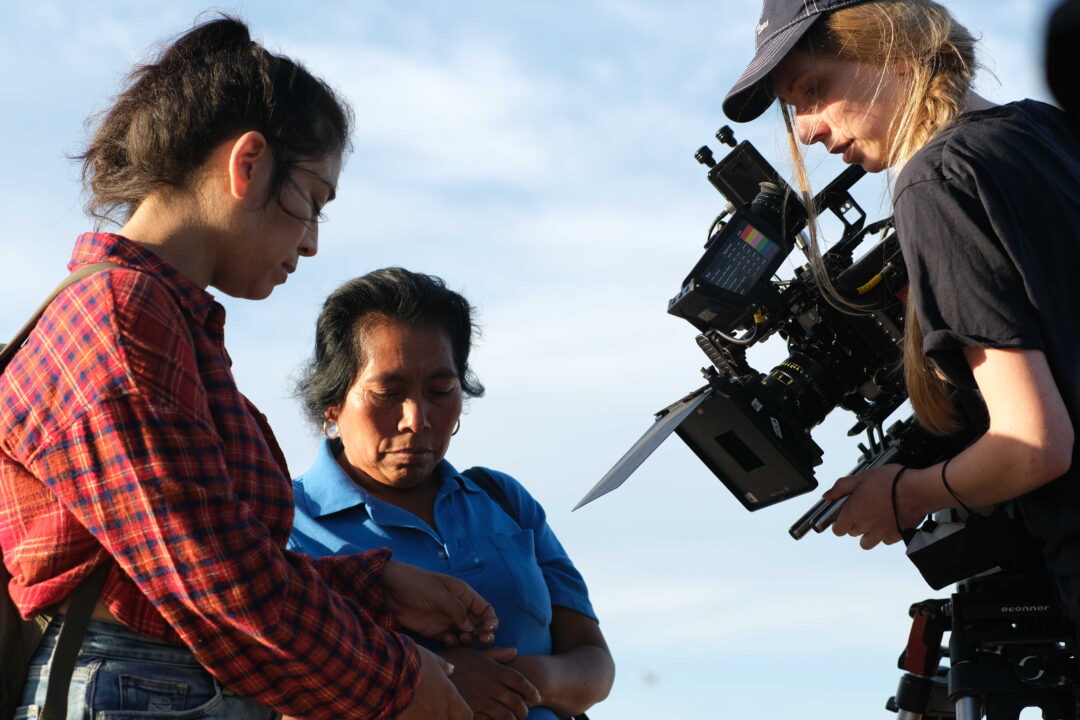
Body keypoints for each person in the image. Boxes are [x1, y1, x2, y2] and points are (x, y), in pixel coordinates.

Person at [0, 15, 499, 720]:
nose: (313, 242)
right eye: (313, 202)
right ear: (250, 164)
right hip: (142, 690)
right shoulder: (120, 317)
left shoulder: (151, 316)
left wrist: (375, 586)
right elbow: (214, 583)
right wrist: (399, 683)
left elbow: (204, 553)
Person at [723, 0, 1080, 620]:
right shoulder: (1047, 129)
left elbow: (1032, 444)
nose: (804, 130)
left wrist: (906, 493)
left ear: (892, 47)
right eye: (793, 109)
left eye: (814, 89)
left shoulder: (934, 181)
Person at [288, 267, 615, 720]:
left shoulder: (502, 499)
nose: (416, 419)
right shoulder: (282, 522)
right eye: (388, 392)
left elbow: (594, 666)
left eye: (441, 391)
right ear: (333, 401)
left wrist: (513, 681)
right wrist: (427, 686)